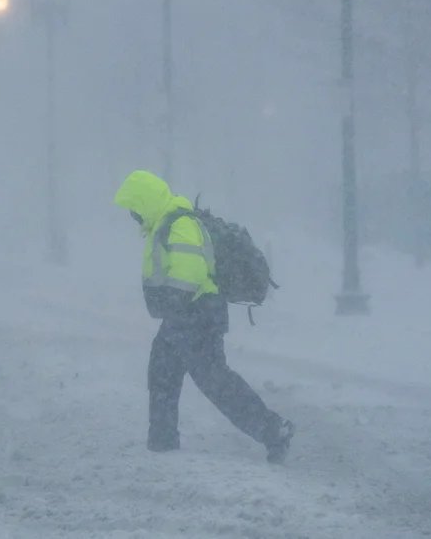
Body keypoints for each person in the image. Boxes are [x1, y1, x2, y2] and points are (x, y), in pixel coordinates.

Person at [113, 169, 295, 463]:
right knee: (162, 372)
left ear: (145, 201)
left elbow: (190, 273)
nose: (133, 215)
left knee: (215, 381)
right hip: (185, 316)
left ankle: (273, 429)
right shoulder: (164, 224)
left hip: (196, 315)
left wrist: (172, 303)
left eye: (135, 208)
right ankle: (161, 442)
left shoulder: (179, 224)